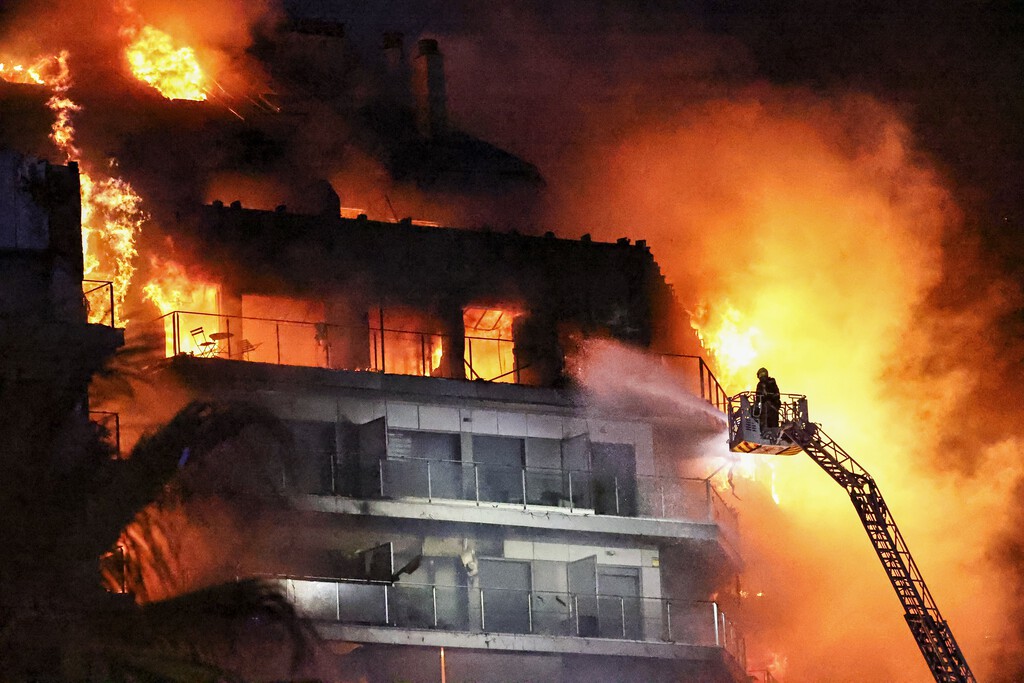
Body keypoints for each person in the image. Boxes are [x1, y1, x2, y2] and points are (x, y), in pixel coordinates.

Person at [754, 367, 781, 433]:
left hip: (772, 406)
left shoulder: (771, 382)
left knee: (772, 421)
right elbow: (758, 397)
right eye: (761, 374)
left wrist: (769, 398)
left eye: (763, 374)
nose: (763, 376)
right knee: (766, 420)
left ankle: (771, 432)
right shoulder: (760, 385)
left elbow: (776, 394)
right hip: (766, 407)